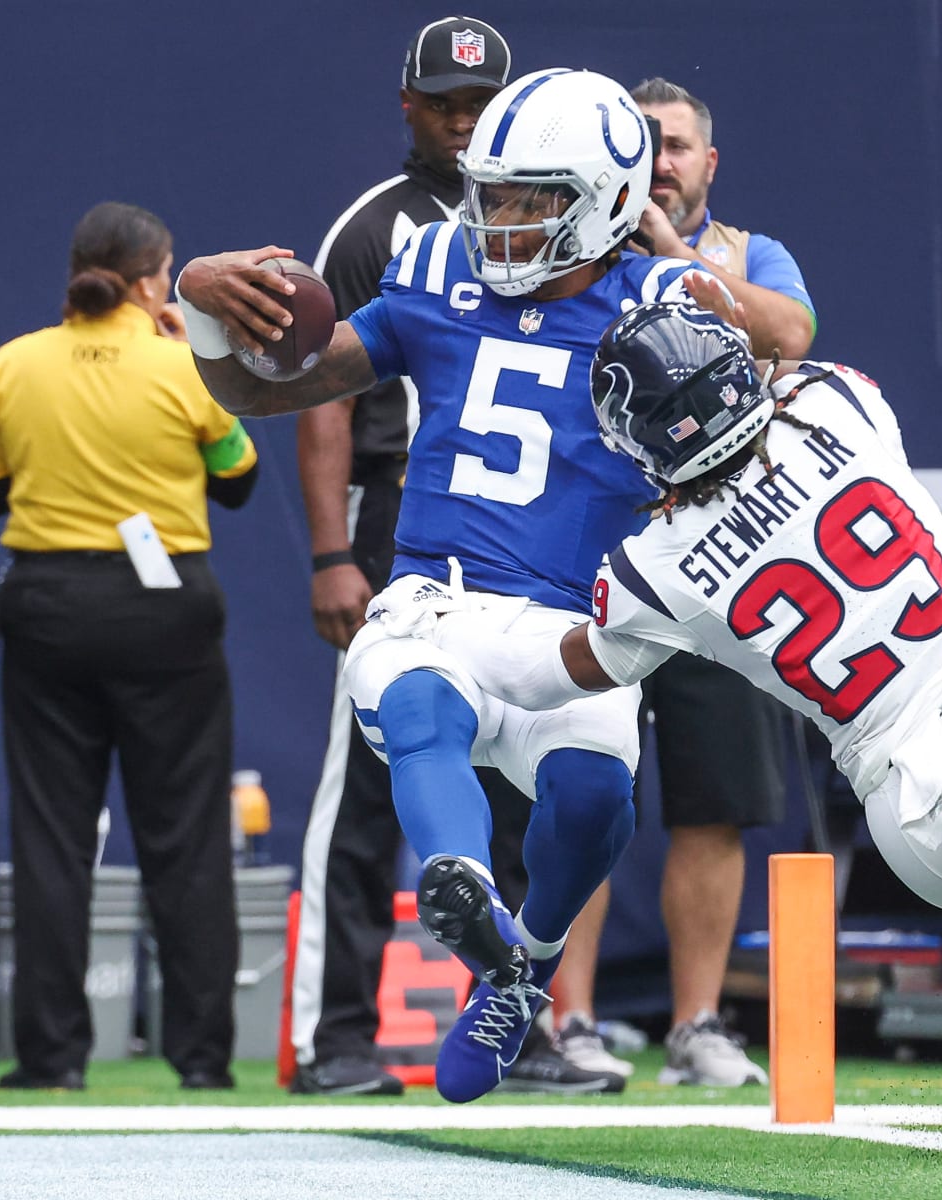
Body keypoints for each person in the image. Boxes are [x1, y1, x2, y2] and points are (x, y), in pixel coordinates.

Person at [421, 300, 942, 1101]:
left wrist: (441, 637)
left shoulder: (652, 568)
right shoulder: (838, 401)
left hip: (907, 823)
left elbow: (548, 675)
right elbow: (788, 348)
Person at [173, 68, 728, 1104]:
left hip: (575, 622)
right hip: (439, 593)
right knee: (415, 699)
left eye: (534, 201)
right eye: (494, 195)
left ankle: (524, 967)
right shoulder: (435, 265)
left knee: (596, 794)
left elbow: (749, 409)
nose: (503, 222)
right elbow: (273, 384)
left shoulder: (663, 301)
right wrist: (202, 308)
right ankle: (458, 878)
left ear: (609, 200)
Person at [288, 12, 597, 1099]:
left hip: (534, 535)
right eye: (447, 102)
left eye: (484, 102)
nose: (466, 123)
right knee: (370, 786)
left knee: (534, 787)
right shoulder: (380, 225)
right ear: (408, 104)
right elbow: (325, 393)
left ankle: (525, 1021)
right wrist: (333, 549)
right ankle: (334, 1037)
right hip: (408, 527)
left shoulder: (563, 202)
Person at [548, 77, 817, 1087]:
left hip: (713, 564)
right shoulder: (573, 253)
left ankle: (696, 1026)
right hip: (591, 560)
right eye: (645, 144)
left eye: (679, 146)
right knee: (576, 788)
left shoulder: (753, 255)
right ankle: (567, 1024)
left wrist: (672, 249)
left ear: (711, 163)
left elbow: (788, 337)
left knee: (712, 804)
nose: (662, 161)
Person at [0, 201, 259, 1091]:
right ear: (152, 282)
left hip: (45, 607)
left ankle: (50, 1059)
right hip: (166, 615)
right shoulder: (182, 363)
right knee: (184, 835)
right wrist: (188, 348)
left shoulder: (14, 365)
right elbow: (237, 478)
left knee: (49, 837)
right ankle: (201, 1060)